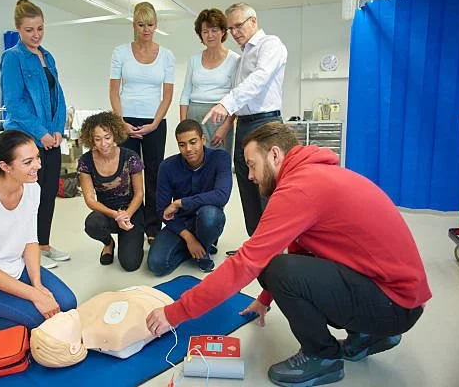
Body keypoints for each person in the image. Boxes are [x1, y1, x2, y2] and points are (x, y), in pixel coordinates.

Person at [147, 122, 431, 387]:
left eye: (251, 165)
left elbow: (245, 264)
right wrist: (264, 300)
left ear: (274, 155)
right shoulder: (312, 174)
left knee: (275, 268)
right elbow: (301, 249)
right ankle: (367, 335)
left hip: (393, 304)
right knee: (279, 264)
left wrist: (175, 313)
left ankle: (323, 356)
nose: (250, 176)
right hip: (399, 298)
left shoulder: (298, 189)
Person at [0, 130, 77, 330]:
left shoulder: (32, 188)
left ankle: (20, 300)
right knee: (36, 321)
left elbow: (30, 241)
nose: (38, 165)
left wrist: (37, 284)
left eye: (37, 157)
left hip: (16, 267)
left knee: (68, 305)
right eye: (28, 162)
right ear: (5, 166)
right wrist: (36, 296)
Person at [202, 2, 287, 237]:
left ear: (254, 21)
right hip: (245, 125)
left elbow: (259, 79)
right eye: (231, 29)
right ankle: (254, 244)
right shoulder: (241, 60)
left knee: (266, 189)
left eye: (238, 25)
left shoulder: (270, 45)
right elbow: (240, 98)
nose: (235, 32)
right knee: (247, 186)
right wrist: (226, 124)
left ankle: (272, 250)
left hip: (266, 125)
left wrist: (225, 103)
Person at [1, 0, 69, 269]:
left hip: (50, 140)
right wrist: (41, 133)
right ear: (18, 29)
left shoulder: (47, 56)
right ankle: (28, 254)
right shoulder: (13, 57)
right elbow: (15, 103)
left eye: (40, 28)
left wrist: (57, 129)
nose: (36, 34)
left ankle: (43, 244)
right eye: (30, 30)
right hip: (28, 139)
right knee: (28, 197)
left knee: (48, 193)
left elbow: (58, 97)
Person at [109, 1, 176, 245]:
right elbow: (114, 91)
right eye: (141, 24)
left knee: (154, 176)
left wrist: (155, 123)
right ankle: (131, 224)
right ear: (134, 25)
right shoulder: (120, 52)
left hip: (155, 122)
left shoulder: (167, 55)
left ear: (156, 25)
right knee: (127, 175)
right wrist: (121, 122)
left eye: (150, 25)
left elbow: (167, 94)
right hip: (125, 121)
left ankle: (153, 227)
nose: (146, 29)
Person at [147, 119, 232, 276]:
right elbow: (162, 210)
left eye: (193, 142)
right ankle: (198, 249)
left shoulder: (220, 158)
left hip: (208, 219)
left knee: (209, 215)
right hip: (180, 223)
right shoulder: (167, 166)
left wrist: (181, 203)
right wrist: (189, 238)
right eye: (182, 145)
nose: (188, 149)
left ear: (203, 140)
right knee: (157, 265)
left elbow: (222, 196)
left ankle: (205, 245)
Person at [77, 111, 145, 271]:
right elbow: (90, 199)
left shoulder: (131, 157)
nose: (103, 144)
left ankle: (130, 238)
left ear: (115, 135)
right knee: (92, 224)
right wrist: (116, 215)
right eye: (97, 139)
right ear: (91, 139)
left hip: (132, 212)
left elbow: (139, 194)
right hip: (107, 213)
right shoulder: (86, 161)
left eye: (107, 137)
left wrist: (126, 215)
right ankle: (108, 243)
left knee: (130, 264)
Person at [179, 8, 240, 154]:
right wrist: (183, 124)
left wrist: (225, 127)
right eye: (205, 31)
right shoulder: (194, 60)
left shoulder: (235, 60)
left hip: (219, 120)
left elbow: (236, 97)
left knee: (218, 161)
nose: (210, 35)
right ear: (200, 34)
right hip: (194, 117)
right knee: (194, 160)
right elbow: (185, 93)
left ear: (223, 31)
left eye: (214, 30)